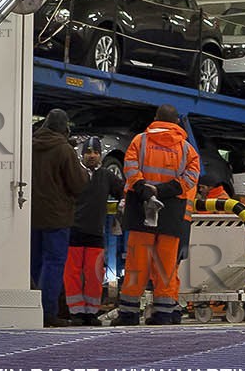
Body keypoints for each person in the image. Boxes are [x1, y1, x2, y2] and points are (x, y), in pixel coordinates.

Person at [116, 104, 200, 325]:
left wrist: (145, 189)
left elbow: (131, 169)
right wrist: (165, 191)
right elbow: (190, 179)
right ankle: (163, 312)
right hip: (171, 212)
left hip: (141, 207)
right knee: (165, 264)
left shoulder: (139, 141)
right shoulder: (187, 150)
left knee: (136, 262)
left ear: (155, 118)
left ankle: (129, 313)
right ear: (178, 123)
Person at [30, 109, 88, 327]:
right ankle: (48, 312)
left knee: (34, 264)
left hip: (31, 215)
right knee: (53, 264)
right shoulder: (64, 150)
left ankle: (32, 309)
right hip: (57, 217)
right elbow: (78, 184)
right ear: (64, 127)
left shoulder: (30, 144)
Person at [64, 139, 122, 325]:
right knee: (72, 274)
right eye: (88, 152)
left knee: (95, 274)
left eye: (95, 152)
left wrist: (123, 202)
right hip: (73, 230)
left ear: (100, 155)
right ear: (82, 155)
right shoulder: (75, 174)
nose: (92, 155)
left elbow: (124, 189)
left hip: (96, 233)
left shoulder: (106, 176)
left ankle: (91, 312)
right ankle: (76, 312)